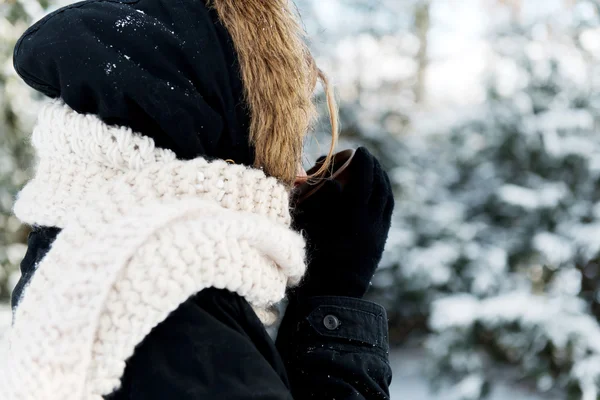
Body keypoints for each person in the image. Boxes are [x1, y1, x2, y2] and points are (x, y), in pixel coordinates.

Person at [1, 0, 394, 399]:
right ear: (232, 118)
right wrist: (336, 298)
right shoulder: (173, 297)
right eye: (286, 111)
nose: (295, 165)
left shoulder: (90, 238)